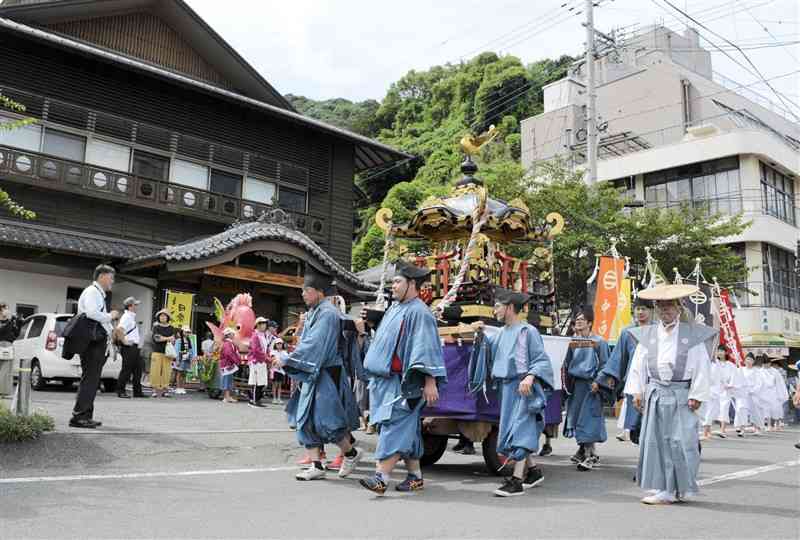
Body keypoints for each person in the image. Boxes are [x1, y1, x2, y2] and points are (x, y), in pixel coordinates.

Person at [357, 261, 446, 495]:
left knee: (394, 427)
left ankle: (381, 478)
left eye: (397, 281)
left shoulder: (420, 313)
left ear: (412, 284)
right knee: (405, 430)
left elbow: (426, 348)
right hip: (384, 382)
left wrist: (430, 381)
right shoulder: (395, 308)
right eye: (393, 281)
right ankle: (415, 476)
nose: (392, 286)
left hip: (404, 384)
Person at [625, 284, 717, 505]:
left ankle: (681, 487)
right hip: (656, 392)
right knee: (656, 441)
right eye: (661, 307)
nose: (665, 311)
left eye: (670, 306)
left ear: (679, 308)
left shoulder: (690, 334)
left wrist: (697, 394)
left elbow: (702, 366)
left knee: (681, 441)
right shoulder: (648, 334)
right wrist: (637, 391)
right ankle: (662, 488)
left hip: (682, 393)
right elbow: (638, 365)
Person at [279, 270, 363, 481]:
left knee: (328, 421)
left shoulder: (328, 313)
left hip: (326, 372)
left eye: (306, 290)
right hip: (313, 371)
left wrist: (289, 360)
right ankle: (317, 465)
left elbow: (315, 344)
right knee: (305, 419)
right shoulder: (316, 312)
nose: (303, 294)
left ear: (319, 292)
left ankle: (351, 453)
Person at [471, 289, 554, 497]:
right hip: (508, 388)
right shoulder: (502, 332)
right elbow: (490, 350)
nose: (494, 310)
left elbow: (541, 360)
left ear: (509, 307)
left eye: (498, 306)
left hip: (524, 388)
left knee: (521, 430)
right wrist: (480, 335)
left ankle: (516, 480)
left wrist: (530, 377)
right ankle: (533, 472)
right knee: (513, 430)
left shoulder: (528, 331)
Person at [596, 297, 653, 444]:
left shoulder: (657, 330)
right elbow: (618, 356)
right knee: (636, 423)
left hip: (654, 379)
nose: (640, 312)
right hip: (634, 380)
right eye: (638, 308)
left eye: (644, 309)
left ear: (651, 311)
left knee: (653, 421)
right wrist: (610, 376)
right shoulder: (627, 332)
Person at [69, 265, 119, 428]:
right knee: (90, 379)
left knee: (92, 379)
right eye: (111, 277)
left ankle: (85, 415)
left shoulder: (97, 293)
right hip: (92, 342)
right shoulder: (92, 292)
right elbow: (91, 313)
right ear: (102, 276)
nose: (112, 281)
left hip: (95, 341)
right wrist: (110, 316)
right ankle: (79, 416)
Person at [563, 307, 609, 471]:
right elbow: (567, 363)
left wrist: (598, 381)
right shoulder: (572, 342)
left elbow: (605, 365)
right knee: (576, 418)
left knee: (589, 419)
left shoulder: (599, 342)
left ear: (590, 322)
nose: (579, 321)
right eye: (577, 319)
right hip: (577, 385)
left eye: (582, 319)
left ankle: (591, 455)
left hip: (592, 386)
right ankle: (583, 450)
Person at [116, 297, 144, 398]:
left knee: (138, 369)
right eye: (135, 305)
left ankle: (137, 392)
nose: (137, 306)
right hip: (129, 347)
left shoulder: (131, 317)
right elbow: (119, 330)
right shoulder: (127, 317)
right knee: (126, 369)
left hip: (134, 347)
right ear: (130, 306)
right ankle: (120, 391)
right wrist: (124, 341)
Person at [150, 309, 175, 398]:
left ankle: (165, 390)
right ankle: (154, 390)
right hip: (157, 351)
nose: (162, 317)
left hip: (168, 352)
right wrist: (168, 338)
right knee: (155, 371)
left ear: (168, 317)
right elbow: (157, 338)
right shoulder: (156, 327)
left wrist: (164, 338)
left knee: (167, 371)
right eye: (161, 316)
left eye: (164, 316)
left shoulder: (172, 327)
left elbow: (173, 339)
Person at [715, 347, 740, 438]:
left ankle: (722, 430)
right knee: (712, 408)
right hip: (714, 389)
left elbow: (734, 376)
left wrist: (730, 385)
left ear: (726, 352)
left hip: (726, 390)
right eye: (718, 351)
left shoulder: (731, 365)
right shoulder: (714, 363)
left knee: (724, 408)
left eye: (721, 351)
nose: (719, 353)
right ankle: (708, 430)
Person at [701, 348, 724, 440]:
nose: (718, 353)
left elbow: (720, 377)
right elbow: (707, 377)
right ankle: (705, 433)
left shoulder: (717, 363)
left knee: (712, 411)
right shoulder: (707, 362)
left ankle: (708, 431)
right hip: (709, 390)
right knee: (708, 412)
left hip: (716, 390)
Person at [247, 317, 271, 408]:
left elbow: (266, 348)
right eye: (263, 323)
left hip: (262, 361)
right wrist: (267, 358)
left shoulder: (263, 335)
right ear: (258, 325)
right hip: (256, 361)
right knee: (256, 381)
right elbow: (256, 350)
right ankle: (253, 400)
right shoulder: (255, 336)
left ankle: (257, 399)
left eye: (265, 323)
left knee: (262, 381)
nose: (265, 325)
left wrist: (268, 356)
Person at [173, 326, 196, 395]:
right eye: (186, 332)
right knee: (179, 373)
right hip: (180, 359)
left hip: (187, 359)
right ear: (182, 332)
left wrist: (192, 359)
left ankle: (182, 387)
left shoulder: (190, 340)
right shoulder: (178, 340)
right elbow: (176, 350)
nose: (187, 333)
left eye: (188, 332)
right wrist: (177, 360)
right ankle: (178, 387)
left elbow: (192, 350)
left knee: (184, 374)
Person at [219, 327, 240, 403]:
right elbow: (229, 354)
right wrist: (236, 360)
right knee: (227, 380)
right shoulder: (228, 343)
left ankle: (228, 396)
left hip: (227, 364)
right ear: (229, 335)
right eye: (232, 333)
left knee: (228, 380)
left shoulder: (228, 343)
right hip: (227, 364)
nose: (233, 334)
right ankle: (226, 397)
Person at [270, 338, 288, 405]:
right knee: (275, 385)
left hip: (282, 371)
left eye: (280, 344)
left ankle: (279, 398)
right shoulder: (273, 352)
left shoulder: (284, 352)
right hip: (275, 370)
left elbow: (286, 361)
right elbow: (273, 359)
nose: (279, 345)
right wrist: (277, 364)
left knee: (280, 385)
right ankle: (274, 398)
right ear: (275, 345)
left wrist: (281, 365)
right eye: (278, 344)